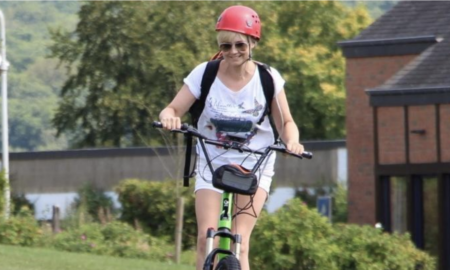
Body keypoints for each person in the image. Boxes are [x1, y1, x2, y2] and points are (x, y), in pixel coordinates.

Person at [159, 5, 304, 270]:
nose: (233, 51)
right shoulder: (205, 74)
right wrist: (170, 117)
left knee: (241, 241)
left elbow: (287, 124)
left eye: (240, 44)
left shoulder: (268, 78)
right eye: (226, 46)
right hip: (212, 160)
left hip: (255, 163)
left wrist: (292, 142)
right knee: (207, 239)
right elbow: (172, 108)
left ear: (254, 42)